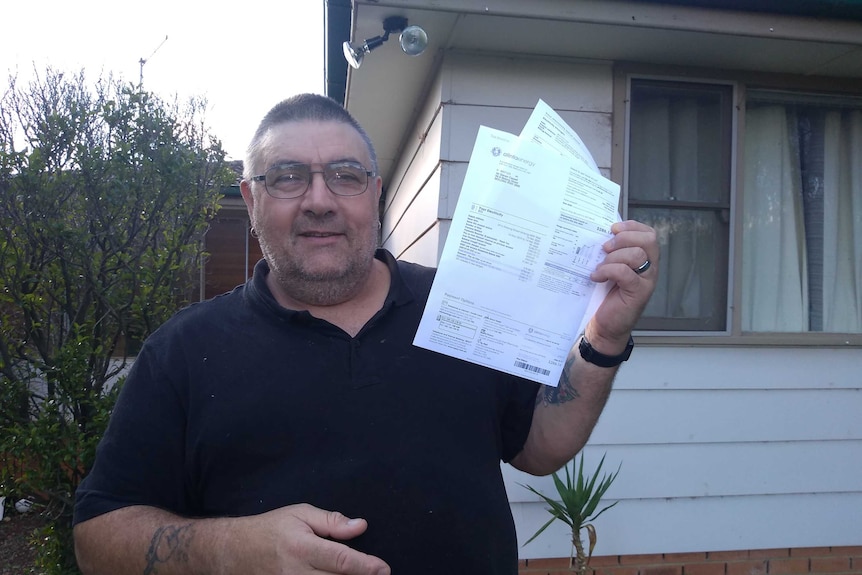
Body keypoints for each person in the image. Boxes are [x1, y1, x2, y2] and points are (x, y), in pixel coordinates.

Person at [73, 93, 659, 575]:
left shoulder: (462, 304)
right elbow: (98, 537)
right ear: (251, 200)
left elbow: (538, 445)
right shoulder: (182, 351)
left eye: (346, 176)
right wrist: (228, 550)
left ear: (375, 194)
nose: (320, 201)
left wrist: (604, 337)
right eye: (287, 177)